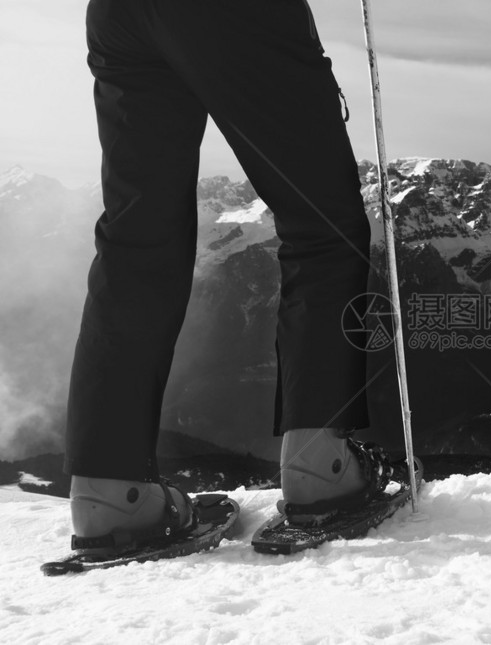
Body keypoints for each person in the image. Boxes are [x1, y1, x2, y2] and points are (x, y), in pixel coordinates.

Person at [66, 0, 387, 551]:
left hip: (116, 15)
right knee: (320, 225)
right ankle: (320, 467)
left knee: (136, 243)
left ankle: (109, 493)